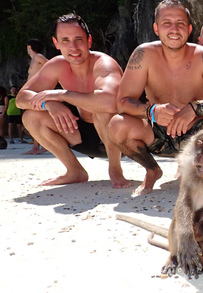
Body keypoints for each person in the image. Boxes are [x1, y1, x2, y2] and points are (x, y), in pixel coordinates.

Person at [109, 0, 203, 195]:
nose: (174, 29)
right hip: (157, 133)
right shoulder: (144, 55)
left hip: (197, 134)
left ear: (189, 29)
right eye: (167, 23)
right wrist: (152, 111)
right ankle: (152, 170)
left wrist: (197, 108)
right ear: (156, 28)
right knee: (117, 125)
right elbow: (122, 102)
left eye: (180, 23)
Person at [16, 13, 130, 189]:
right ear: (56, 43)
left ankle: (115, 170)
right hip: (82, 135)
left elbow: (110, 102)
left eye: (78, 39)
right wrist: (49, 104)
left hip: (117, 138)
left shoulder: (103, 64)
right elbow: (21, 98)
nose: (73, 47)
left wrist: (61, 95)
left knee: (100, 106)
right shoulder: (57, 65)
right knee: (31, 116)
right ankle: (74, 171)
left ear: (89, 41)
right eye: (65, 40)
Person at [23, 38, 49, 155]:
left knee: (37, 119)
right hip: (32, 93)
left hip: (38, 93)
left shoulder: (38, 57)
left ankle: (43, 146)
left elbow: (51, 65)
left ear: (29, 47)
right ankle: (35, 147)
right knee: (33, 120)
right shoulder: (34, 59)